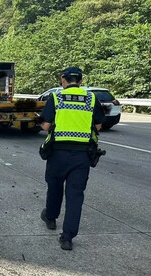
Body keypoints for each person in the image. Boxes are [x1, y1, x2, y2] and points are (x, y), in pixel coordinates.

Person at [39, 67, 104, 251]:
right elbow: (98, 125)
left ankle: (50, 218)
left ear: (63, 80)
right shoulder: (91, 98)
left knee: (55, 187)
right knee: (75, 196)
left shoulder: (56, 98)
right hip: (82, 155)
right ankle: (67, 238)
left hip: (58, 153)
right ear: (81, 81)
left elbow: (45, 125)